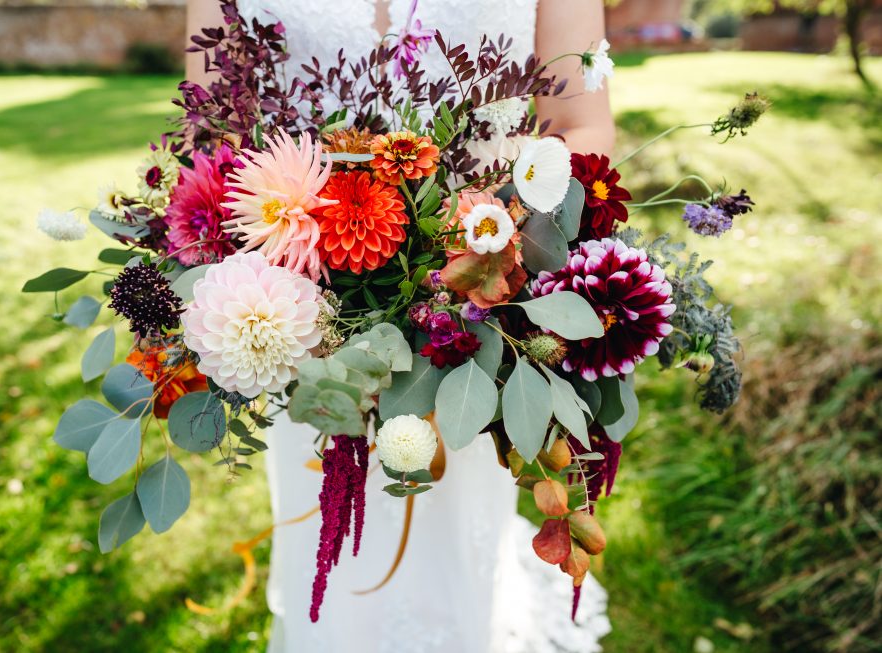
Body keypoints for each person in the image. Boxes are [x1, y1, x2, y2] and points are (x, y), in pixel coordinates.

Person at [185, 2, 615, 651]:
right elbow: (211, 125)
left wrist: (493, 244)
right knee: (325, 519)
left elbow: (581, 120)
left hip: (475, 310)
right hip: (297, 311)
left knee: (454, 525)